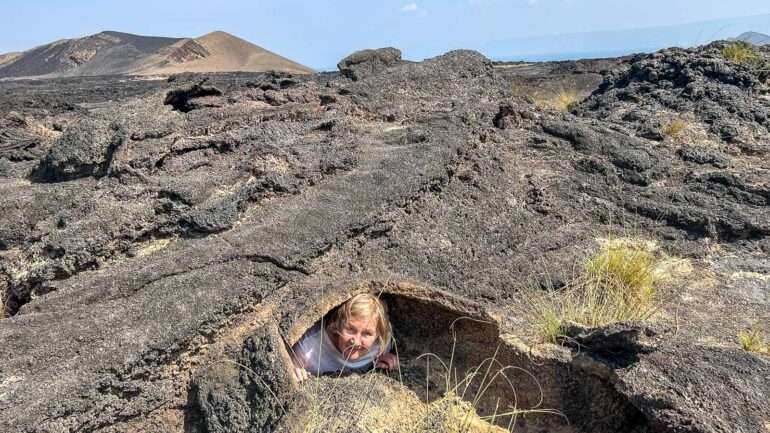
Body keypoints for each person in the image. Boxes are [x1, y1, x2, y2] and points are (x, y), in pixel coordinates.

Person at [292, 293, 399, 382]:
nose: (356, 342)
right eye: (350, 329)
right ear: (336, 325)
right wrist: (296, 371)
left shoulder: (381, 344)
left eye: (366, 334)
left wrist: (387, 360)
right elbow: (290, 368)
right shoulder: (308, 349)